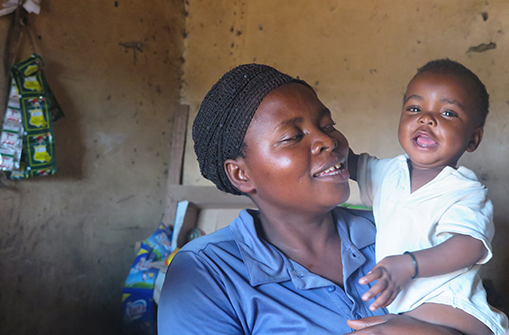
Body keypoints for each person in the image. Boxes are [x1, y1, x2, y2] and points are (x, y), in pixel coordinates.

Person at [157, 63, 468, 334]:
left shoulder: (396, 229)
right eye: (293, 137)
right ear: (241, 175)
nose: (327, 141)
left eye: (327, 125)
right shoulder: (207, 273)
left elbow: (473, 308)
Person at [348, 59, 509, 335]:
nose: (427, 118)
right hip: (411, 317)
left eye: (448, 113)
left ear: (473, 139)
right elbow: (345, 162)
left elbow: (471, 246)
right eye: (414, 108)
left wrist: (408, 265)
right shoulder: (387, 173)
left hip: (458, 318)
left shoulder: (463, 190)